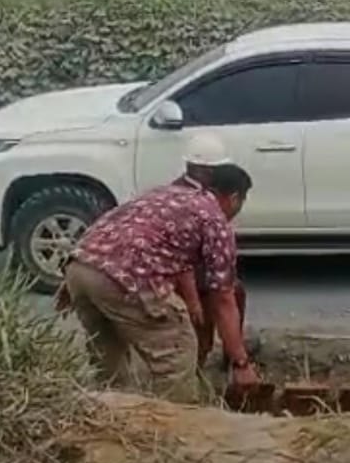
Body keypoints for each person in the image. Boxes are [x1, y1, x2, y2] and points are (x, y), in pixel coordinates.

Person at [63, 163, 259, 399]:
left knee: (108, 357)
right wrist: (241, 363)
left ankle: (111, 422)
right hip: (125, 277)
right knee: (177, 352)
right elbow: (224, 300)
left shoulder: (167, 195)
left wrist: (193, 302)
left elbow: (176, 258)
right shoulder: (215, 220)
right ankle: (177, 426)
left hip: (80, 267)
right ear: (234, 197)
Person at [174, 132, 249, 367]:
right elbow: (182, 260)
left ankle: (231, 351)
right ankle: (214, 361)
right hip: (181, 276)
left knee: (235, 292)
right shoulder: (199, 200)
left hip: (186, 270)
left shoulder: (179, 188)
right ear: (206, 171)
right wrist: (194, 299)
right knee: (221, 300)